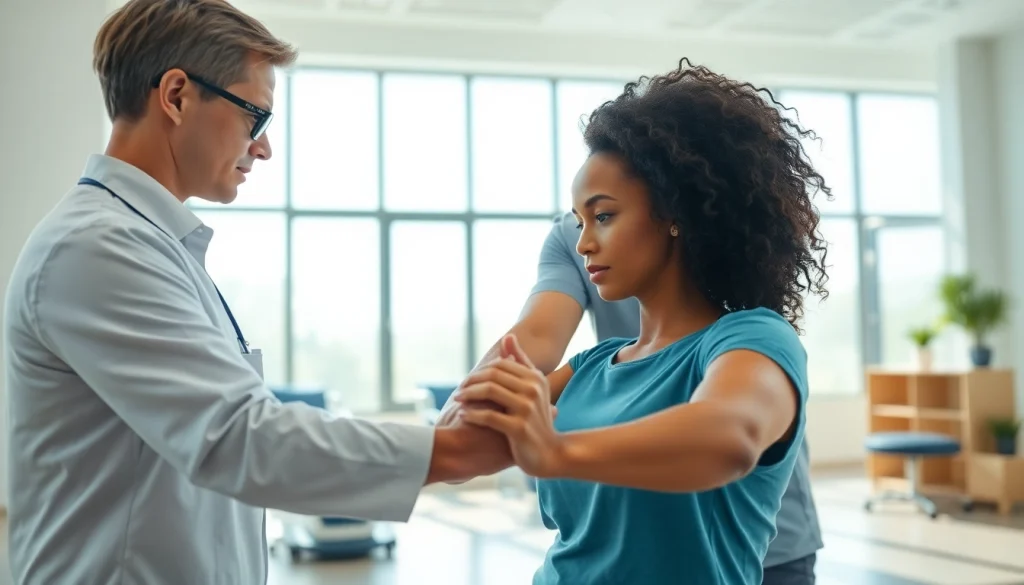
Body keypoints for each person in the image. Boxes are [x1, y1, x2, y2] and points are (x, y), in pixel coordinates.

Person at [1, 1, 508, 584]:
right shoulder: (96, 247)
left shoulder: (145, 243)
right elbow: (239, 438)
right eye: (254, 118)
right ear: (176, 96)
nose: (263, 148)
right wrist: (454, 451)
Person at [442, 59, 830, 585]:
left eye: (603, 216)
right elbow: (460, 451)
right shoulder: (591, 365)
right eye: (580, 221)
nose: (583, 244)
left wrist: (555, 451)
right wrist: (461, 410)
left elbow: (728, 438)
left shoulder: (754, 338)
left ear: (675, 214)